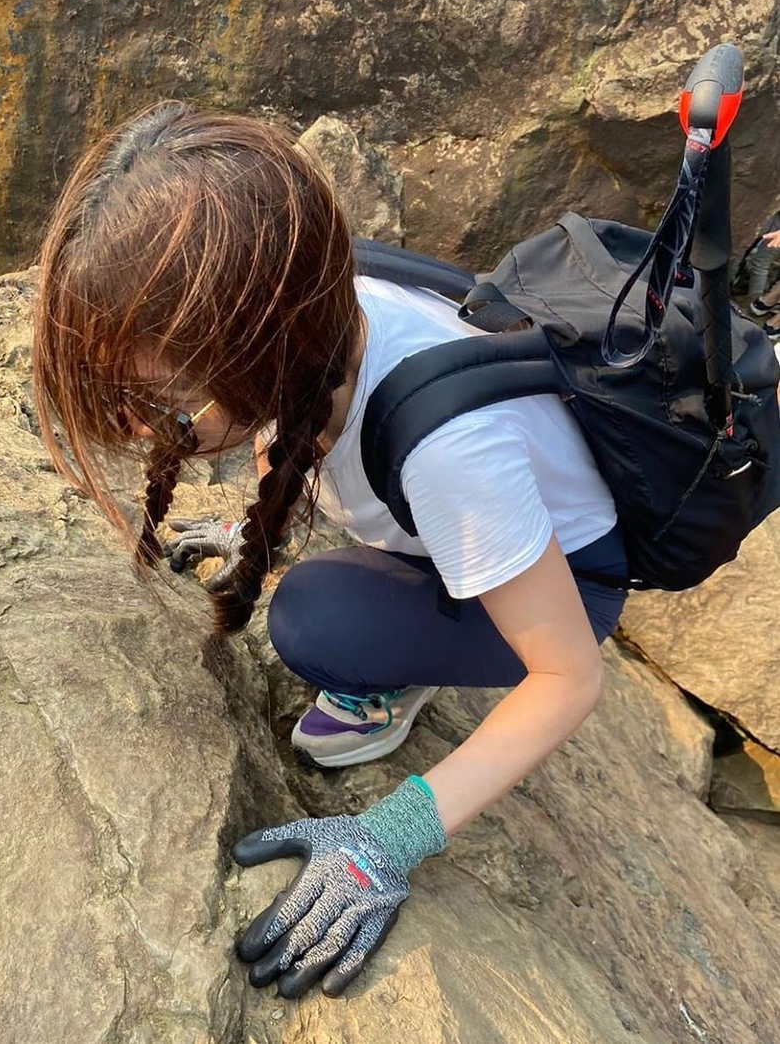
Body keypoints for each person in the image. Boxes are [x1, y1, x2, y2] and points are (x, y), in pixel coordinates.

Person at [32, 103, 629, 999]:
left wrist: (386, 842)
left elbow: (570, 680)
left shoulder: (448, 451)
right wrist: (250, 525)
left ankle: (402, 675)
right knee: (310, 582)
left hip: (563, 583)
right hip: (459, 523)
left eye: (159, 405)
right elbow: (296, 425)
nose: (134, 427)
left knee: (316, 620)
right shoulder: (318, 309)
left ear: (263, 356)